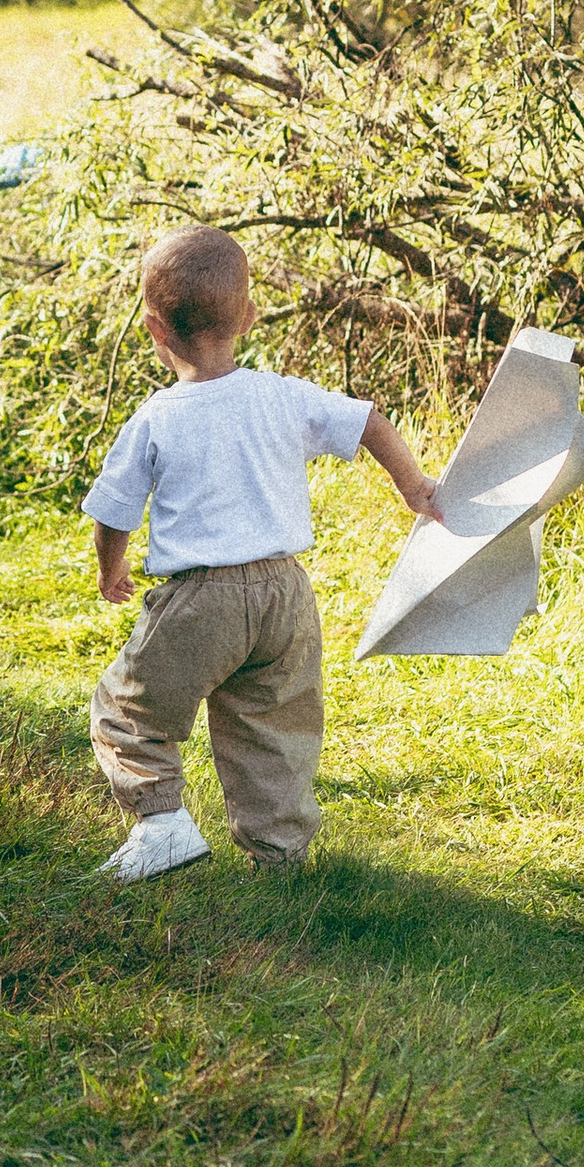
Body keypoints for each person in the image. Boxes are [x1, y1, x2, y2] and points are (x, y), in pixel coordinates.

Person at [83, 224, 441, 879]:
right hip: (287, 597)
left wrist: (113, 569)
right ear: (249, 316)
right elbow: (368, 422)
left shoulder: (157, 417)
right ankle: (279, 858)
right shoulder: (282, 395)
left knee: (127, 712)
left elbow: (113, 512)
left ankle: (161, 824)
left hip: (201, 599)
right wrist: (413, 486)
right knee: (271, 727)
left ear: (155, 329)